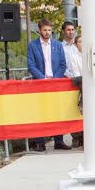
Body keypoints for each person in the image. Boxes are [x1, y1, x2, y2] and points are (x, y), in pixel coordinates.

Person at [27, 19, 71, 152]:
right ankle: (40, 142)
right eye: (45, 30)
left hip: (56, 83)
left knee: (57, 112)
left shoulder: (57, 45)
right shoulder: (32, 45)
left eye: (49, 30)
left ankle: (59, 140)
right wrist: (42, 78)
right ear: (40, 30)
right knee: (40, 113)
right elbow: (31, 65)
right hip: (40, 84)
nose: (47, 33)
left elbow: (63, 64)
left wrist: (55, 79)